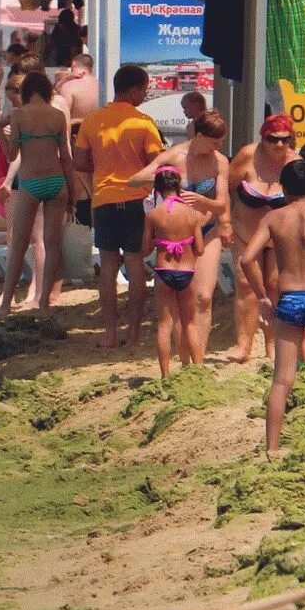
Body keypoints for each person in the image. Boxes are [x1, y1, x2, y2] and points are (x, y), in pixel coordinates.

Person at [73, 65, 163, 349]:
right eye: (144, 89)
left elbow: (79, 161)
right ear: (134, 89)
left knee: (109, 265)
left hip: (103, 200)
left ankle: (110, 333)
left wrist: (100, 169)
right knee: (135, 263)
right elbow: (156, 164)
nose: (145, 94)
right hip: (135, 200)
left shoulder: (93, 120)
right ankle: (134, 334)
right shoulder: (144, 122)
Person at [128, 110, 229, 359]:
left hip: (207, 228)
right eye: (215, 142)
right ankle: (185, 359)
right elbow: (135, 179)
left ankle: (199, 360)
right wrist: (163, 180)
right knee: (178, 300)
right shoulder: (174, 156)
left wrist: (202, 199)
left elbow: (222, 204)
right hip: (177, 234)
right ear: (199, 136)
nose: (218, 148)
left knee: (204, 297)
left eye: (221, 143)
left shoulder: (220, 161)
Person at [0, 72, 76, 317]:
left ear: (27, 91)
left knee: (18, 244)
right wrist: (72, 192)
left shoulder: (19, 115)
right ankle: (43, 303)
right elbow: (67, 159)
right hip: (56, 181)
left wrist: (0, 130)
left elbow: (12, 154)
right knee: (52, 245)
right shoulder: (58, 115)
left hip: (31, 182)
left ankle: (6, 303)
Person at [245, 159, 305, 453]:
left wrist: (262, 296)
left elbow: (247, 260)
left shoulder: (275, 218)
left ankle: (271, 450)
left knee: (282, 380)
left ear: (283, 188)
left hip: (290, 299)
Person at [229, 114, 297, 363]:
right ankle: (243, 345)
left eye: (284, 140)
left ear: (291, 139)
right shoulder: (248, 155)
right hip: (246, 234)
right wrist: (225, 222)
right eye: (272, 139)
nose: (279, 145)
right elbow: (226, 187)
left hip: (279, 239)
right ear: (263, 137)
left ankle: (271, 344)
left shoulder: (295, 163)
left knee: (275, 286)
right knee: (246, 286)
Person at [141, 166, 206, 378]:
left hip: (164, 270)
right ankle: (198, 372)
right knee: (190, 324)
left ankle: (165, 375)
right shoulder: (192, 214)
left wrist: (159, 242)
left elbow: (144, 250)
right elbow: (201, 249)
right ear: (179, 187)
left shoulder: (153, 215)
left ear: (157, 189)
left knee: (164, 325)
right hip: (187, 271)